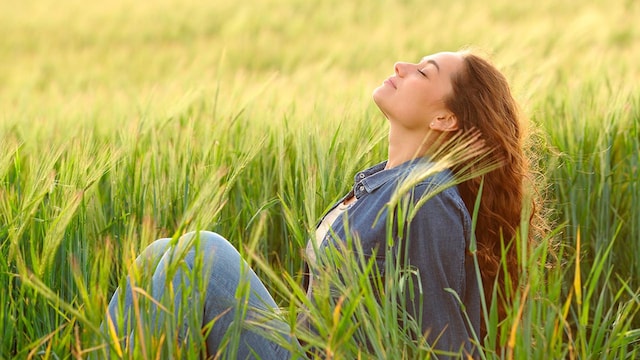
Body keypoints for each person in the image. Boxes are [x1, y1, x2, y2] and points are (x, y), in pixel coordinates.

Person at [101, 50, 538, 358]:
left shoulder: (425, 199)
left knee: (203, 253)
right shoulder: (380, 182)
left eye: (423, 73)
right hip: (305, 347)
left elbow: (439, 339)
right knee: (160, 255)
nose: (401, 67)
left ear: (445, 117)